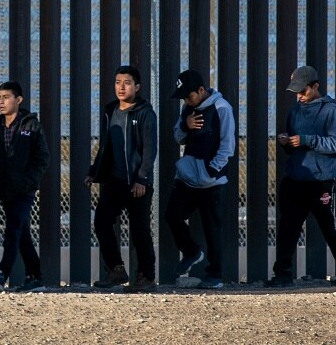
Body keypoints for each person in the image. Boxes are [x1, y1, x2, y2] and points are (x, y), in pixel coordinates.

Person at [265, 66, 336, 287]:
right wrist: (287, 142)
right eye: (296, 92)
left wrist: (306, 140)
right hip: (296, 177)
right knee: (288, 226)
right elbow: (293, 144)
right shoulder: (295, 111)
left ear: (315, 86)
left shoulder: (330, 111)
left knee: (329, 225)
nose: (299, 96)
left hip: (320, 180)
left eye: (303, 91)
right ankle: (283, 275)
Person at [85, 65, 158, 293]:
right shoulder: (110, 111)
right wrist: (94, 172)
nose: (121, 87)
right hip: (114, 181)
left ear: (136, 87)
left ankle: (146, 277)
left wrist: (142, 179)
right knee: (101, 222)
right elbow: (105, 146)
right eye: (117, 82)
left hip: (137, 183)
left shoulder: (145, 112)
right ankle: (116, 270)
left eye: (126, 83)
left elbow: (149, 150)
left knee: (140, 231)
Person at [165, 69, 235, 290]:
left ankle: (215, 275)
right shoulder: (188, 109)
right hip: (187, 178)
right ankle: (191, 251)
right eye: (184, 97)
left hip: (210, 181)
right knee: (172, 215)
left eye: (190, 95)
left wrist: (211, 170)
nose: (187, 100)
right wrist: (186, 125)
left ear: (201, 90)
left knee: (212, 228)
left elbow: (227, 145)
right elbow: (178, 137)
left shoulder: (221, 108)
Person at [0, 81, 50, 292]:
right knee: (21, 232)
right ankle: (35, 277)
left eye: (6, 97)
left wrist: (29, 180)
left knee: (13, 228)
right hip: (5, 189)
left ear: (18, 100)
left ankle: (2, 273)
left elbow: (42, 157)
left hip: (24, 189)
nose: (1, 102)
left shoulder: (30, 125)